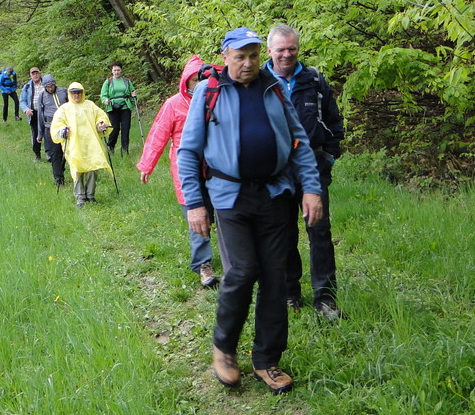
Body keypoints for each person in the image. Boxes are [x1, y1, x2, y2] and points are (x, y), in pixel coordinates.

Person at [177, 26, 323, 395]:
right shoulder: (209, 91)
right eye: (240, 56)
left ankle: (266, 359)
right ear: (225, 56)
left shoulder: (274, 88)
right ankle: (224, 348)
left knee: (276, 277)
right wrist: (195, 203)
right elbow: (188, 152)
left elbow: (299, 142)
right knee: (242, 270)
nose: (248, 63)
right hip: (229, 196)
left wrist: (311, 189)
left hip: (275, 193)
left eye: (254, 55)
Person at [265, 24, 346, 321]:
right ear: (269, 51)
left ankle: (325, 298)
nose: (287, 54)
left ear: (298, 48)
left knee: (319, 230)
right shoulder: (258, 82)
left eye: (292, 48)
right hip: (275, 171)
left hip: (313, 167)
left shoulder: (314, 80)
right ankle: (290, 294)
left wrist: (330, 157)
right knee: (283, 232)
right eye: (281, 49)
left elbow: (334, 120)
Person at [136, 55, 220, 289]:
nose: (198, 84)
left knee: (224, 215)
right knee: (197, 217)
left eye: (201, 79)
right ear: (186, 81)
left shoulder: (215, 98)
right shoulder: (174, 104)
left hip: (216, 168)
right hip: (187, 171)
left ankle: (235, 261)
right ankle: (203, 264)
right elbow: (158, 134)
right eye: (194, 80)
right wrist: (147, 164)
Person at [51, 82, 113, 207]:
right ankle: (80, 197)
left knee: (93, 167)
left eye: (79, 92)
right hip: (74, 145)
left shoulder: (90, 105)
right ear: (70, 94)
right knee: (77, 169)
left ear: (82, 93)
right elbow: (57, 125)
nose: (76, 95)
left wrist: (101, 124)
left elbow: (100, 117)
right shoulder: (64, 109)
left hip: (91, 144)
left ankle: (90, 195)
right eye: (74, 93)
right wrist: (63, 130)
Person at [35, 74, 68, 187]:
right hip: (50, 127)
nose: (50, 88)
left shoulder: (64, 92)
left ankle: (62, 170)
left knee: (65, 152)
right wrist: (40, 134)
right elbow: (40, 115)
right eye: (47, 87)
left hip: (65, 126)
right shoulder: (42, 96)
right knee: (55, 154)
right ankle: (58, 179)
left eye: (51, 86)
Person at [100, 62, 137, 154]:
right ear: (112, 71)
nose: (116, 72)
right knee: (115, 129)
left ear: (121, 70)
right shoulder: (108, 82)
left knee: (125, 128)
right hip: (112, 107)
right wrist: (105, 100)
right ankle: (111, 146)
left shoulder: (126, 81)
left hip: (125, 106)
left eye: (118, 70)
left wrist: (134, 96)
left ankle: (125, 150)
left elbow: (132, 92)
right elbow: (103, 95)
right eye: (115, 70)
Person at [21, 67, 44, 161]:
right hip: (33, 113)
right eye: (33, 74)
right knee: (35, 134)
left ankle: (50, 154)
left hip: (45, 112)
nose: (35, 75)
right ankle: (37, 154)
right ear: (30, 75)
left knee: (48, 134)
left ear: (40, 74)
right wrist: (26, 109)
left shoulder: (46, 84)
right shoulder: (27, 86)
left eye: (37, 73)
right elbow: (22, 101)